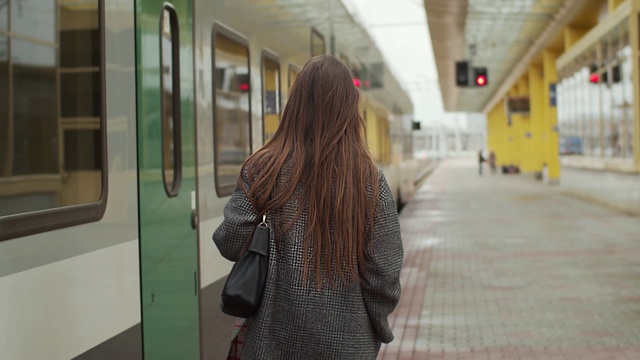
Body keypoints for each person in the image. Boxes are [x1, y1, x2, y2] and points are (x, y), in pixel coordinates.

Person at [212, 55, 403, 359]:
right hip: (346, 346)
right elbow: (385, 277)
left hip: (269, 343)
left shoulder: (263, 169)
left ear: (295, 105)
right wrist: (373, 325)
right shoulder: (370, 181)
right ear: (349, 109)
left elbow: (229, 242)